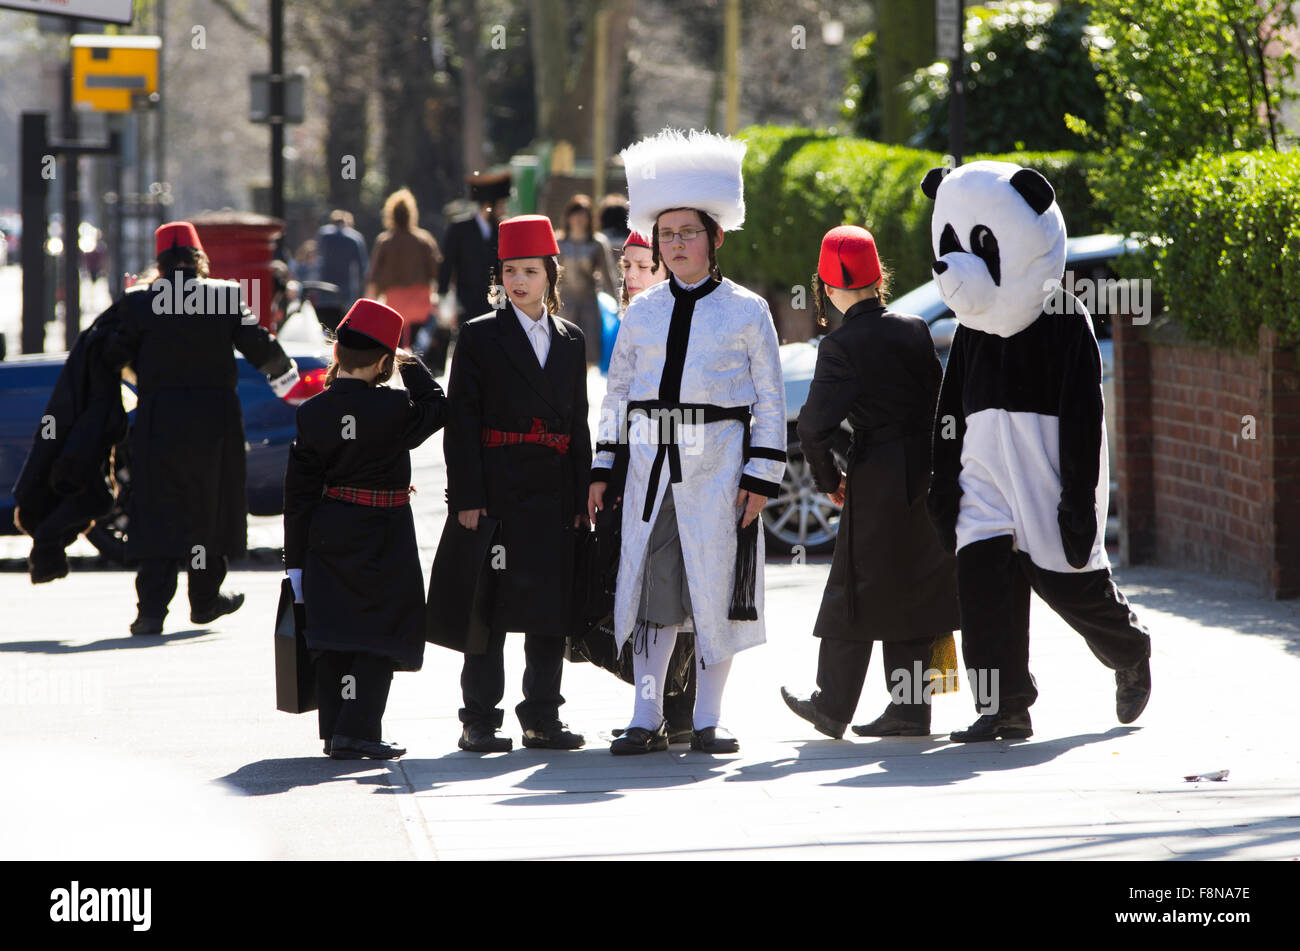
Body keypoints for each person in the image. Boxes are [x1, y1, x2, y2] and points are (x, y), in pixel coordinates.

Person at [589, 129, 786, 755]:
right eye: (666, 235)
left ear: (715, 237)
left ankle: (708, 719)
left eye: (688, 233)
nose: (675, 245)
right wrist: (603, 467)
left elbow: (772, 402)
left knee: (716, 594)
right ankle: (645, 719)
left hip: (720, 469)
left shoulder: (750, 310)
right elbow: (617, 394)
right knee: (655, 592)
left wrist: (759, 478)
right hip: (649, 470)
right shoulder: (641, 312)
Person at [780, 226, 961, 739]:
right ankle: (911, 710)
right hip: (925, 470)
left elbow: (814, 426)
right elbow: (938, 400)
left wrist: (828, 477)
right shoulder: (913, 328)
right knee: (919, 586)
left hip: (876, 474)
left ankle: (831, 706)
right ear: (879, 278)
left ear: (828, 288)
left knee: (852, 590)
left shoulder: (839, 344)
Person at [105, 222, 301, 636]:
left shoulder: (141, 301)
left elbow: (112, 355)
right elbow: (262, 347)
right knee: (208, 508)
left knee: (158, 507)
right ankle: (205, 600)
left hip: (159, 420)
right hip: (215, 421)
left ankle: (152, 610)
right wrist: (288, 382)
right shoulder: (226, 295)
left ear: (159, 262)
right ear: (198, 258)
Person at [443, 214, 592, 753]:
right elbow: (460, 421)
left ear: (551, 274)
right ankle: (479, 718)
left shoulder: (571, 340)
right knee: (490, 610)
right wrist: (466, 498)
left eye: (530, 270)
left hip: (553, 494)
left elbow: (578, 422)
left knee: (549, 609)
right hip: (497, 492)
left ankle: (542, 717)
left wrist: (580, 497)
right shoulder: (479, 336)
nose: (519, 281)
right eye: (510, 271)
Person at [283, 299, 447, 759]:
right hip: (383, 531)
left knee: (335, 632)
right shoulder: (394, 408)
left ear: (336, 353)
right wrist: (409, 364)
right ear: (383, 362)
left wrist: (295, 562)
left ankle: (336, 730)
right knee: (380, 632)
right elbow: (438, 407)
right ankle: (360, 732)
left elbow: (297, 495)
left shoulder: (311, 413)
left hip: (327, 530)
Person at [438, 170, 511, 374]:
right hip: (467, 299)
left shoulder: (503, 229)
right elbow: (447, 265)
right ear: (490, 205)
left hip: (497, 298)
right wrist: (443, 298)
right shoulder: (460, 228)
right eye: (501, 204)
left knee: (495, 350)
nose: (504, 209)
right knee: (469, 348)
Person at [366, 189, 442, 351]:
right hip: (421, 304)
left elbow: (374, 276)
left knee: (396, 346)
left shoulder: (385, 241)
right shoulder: (424, 239)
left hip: (394, 304)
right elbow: (436, 270)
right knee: (417, 348)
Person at [556, 194, 616, 367]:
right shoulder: (558, 242)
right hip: (564, 304)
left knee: (588, 354)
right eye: (575, 214)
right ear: (568, 217)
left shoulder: (597, 243)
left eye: (583, 215)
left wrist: (620, 306)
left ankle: (582, 389)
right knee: (563, 352)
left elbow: (608, 277)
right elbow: (549, 276)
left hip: (589, 303)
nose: (579, 219)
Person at [312, 210, 369, 331]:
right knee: (344, 325)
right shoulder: (355, 238)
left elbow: (318, 257)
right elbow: (361, 268)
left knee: (325, 326)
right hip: (345, 290)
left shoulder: (324, 235)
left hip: (325, 287)